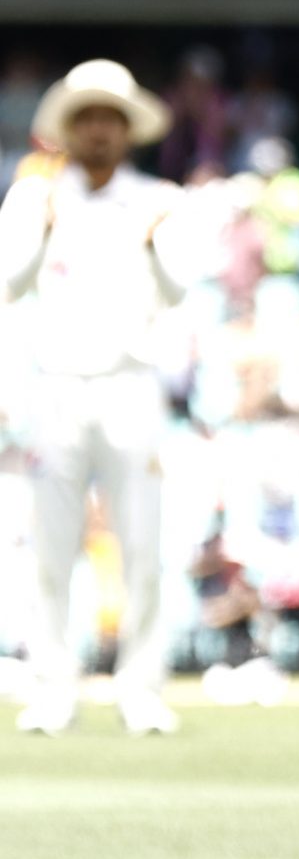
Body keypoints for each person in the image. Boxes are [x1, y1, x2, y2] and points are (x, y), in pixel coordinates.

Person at [0, 62, 185, 736]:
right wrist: (44, 226)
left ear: (128, 129)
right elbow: (10, 284)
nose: (99, 130)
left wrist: (154, 240)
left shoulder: (158, 198)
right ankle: (54, 688)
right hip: (56, 386)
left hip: (132, 385)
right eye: (87, 118)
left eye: (110, 118)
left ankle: (142, 689)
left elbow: (180, 288)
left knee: (142, 543)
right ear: (70, 129)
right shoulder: (32, 198)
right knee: (52, 546)